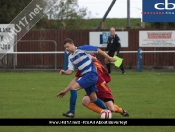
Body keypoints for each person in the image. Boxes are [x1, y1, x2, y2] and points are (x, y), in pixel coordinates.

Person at [57, 38, 116, 118]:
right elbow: (70, 71)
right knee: (93, 98)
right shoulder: (70, 57)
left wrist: (109, 58)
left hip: (91, 74)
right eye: (65, 48)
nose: (67, 49)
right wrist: (65, 72)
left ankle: (71, 112)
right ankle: (106, 111)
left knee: (73, 88)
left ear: (72, 44)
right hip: (86, 76)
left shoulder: (82, 49)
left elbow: (98, 50)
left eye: (68, 47)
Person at [57, 54, 129, 118]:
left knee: (111, 109)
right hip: (92, 87)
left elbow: (94, 57)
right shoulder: (82, 68)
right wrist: (65, 91)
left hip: (102, 88)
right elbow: (75, 79)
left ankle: (120, 110)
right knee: (85, 101)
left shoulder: (93, 62)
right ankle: (103, 112)